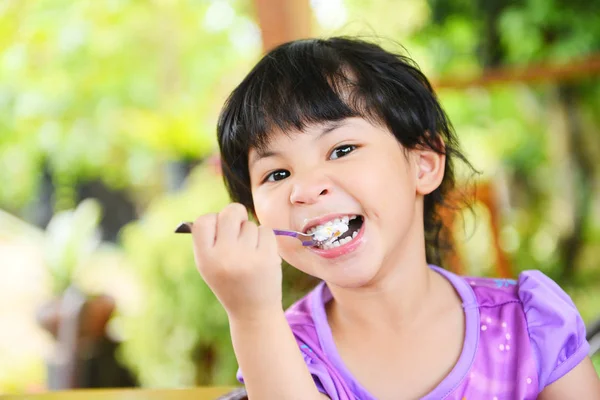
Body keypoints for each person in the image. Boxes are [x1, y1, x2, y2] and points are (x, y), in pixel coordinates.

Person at [187, 37, 600, 399]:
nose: (304, 189)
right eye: (277, 174)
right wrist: (252, 315)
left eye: (341, 149)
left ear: (423, 166)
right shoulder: (281, 353)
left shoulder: (530, 323)